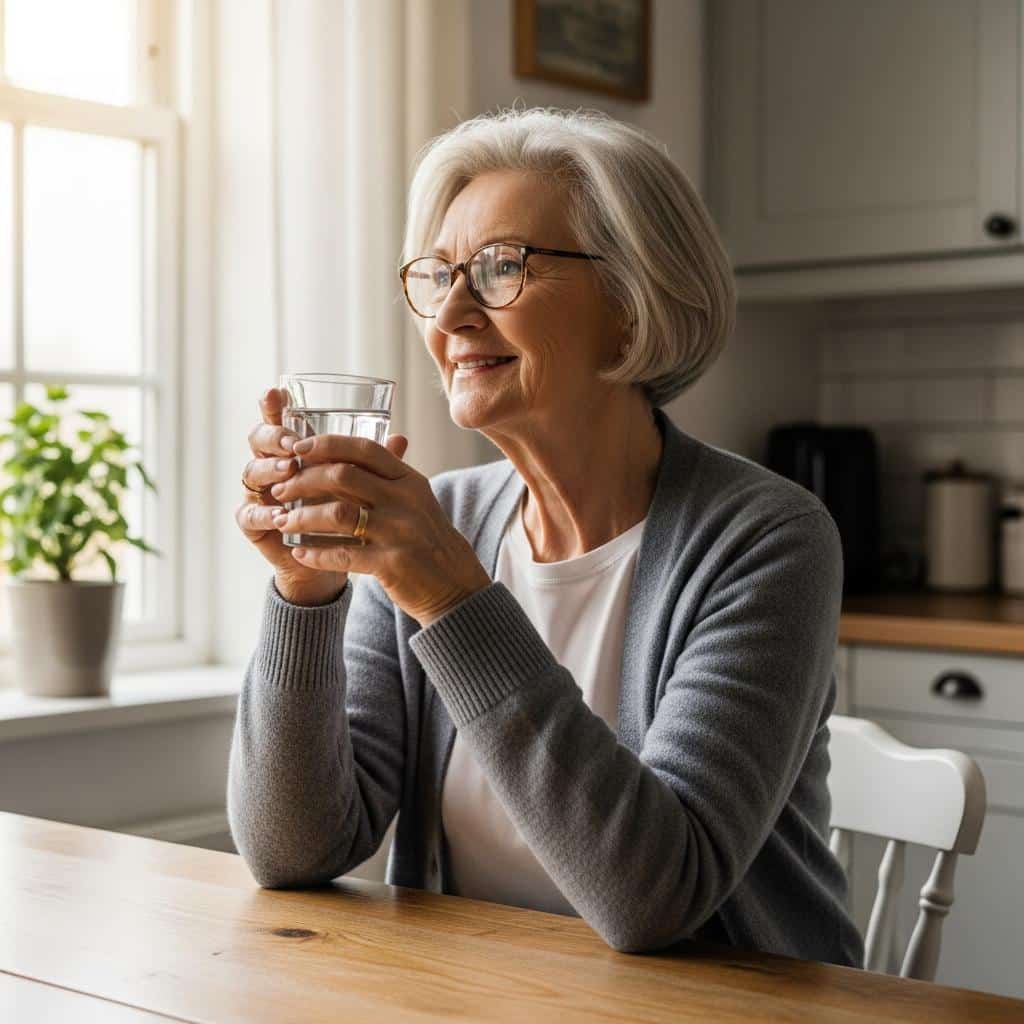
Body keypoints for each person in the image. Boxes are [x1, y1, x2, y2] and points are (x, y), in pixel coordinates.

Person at [230, 106, 863, 966]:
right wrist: (305, 593)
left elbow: (654, 899)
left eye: (500, 269)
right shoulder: (437, 522)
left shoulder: (767, 539)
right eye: (438, 273)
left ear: (634, 305)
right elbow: (293, 851)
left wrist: (450, 597)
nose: (451, 313)